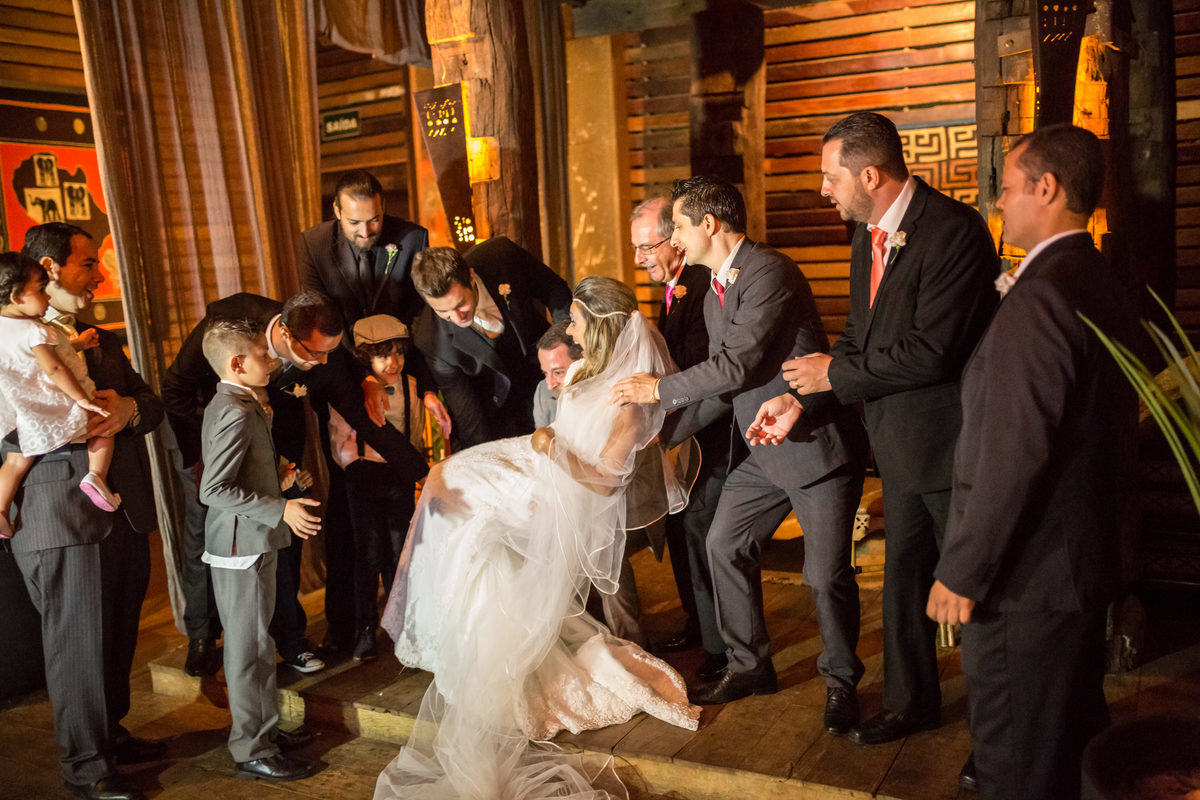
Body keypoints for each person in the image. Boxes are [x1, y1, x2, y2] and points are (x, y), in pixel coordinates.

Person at [375, 276, 699, 799]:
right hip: (540, 459)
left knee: (465, 515)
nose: (570, 329)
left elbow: (605, 479)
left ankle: (480, 658)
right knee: (443, 479)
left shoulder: (633, 395)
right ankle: (452, 642)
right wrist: (546, 442)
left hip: (562, 484)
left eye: (577, 321)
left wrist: (552, 447)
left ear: (600, 327)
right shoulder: (600, 368)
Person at [768, 112, 998, 745]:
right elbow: (857, 336)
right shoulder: (865, 235)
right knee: (902, 584)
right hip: (895, 444)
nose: (823, 189)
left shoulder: (953, 231)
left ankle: (995, 737)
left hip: (951, 445)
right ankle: (909, 704)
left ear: (869, 175)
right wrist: (804, 398)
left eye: (830, 176)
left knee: (973, 595)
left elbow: (933, 352)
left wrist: (836, 374)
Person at [611, 176, 867, 738]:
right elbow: (727, 389)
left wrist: (658, 390)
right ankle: (750, 667)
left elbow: (737, 364)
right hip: (763, 447)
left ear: (709, 224)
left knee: (824, 577)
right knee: (723, 543)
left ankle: (842, 681)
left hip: (813, 445)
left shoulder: (769, 271)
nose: (675, 239)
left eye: (679, 227)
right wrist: (664, 434)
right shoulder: (713, 290)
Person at [927, 124, 1134, 800]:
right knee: (1070, 748)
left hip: (1029, 578)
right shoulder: (1094, 276)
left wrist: (963, 569)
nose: (998, 202)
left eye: (1008, 187)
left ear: (1047, 189)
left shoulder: (1043, 293)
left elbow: (1014, 451)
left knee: (1018, 765)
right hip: (1077, 564)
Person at [162, 291, 428, 674]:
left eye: (330, 353)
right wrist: (202, 458)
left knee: (285, 540)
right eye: (315, 353)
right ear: (285, 334)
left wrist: (422, 472)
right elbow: (176, 385)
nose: (324, 362)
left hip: (280, 446)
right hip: (213, 443)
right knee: (205, 533)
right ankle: (202, 633)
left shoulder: (325, 360)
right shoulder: (233, 315)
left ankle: (291, 639)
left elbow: (366, 422)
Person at [6, 221, 165, 800]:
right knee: (77, 645)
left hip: (123, 509)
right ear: (48, 269)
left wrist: (127, 411)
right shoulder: (11, 339)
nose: (99, 275)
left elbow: (152, 404)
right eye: (88, 263)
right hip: (60, 512)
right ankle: (87, 766)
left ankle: (110, 736)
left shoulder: (101, 337)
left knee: (117, 634)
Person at [198, 318, 321, 783]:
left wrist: (281, 478)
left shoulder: (238, 401)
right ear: (236, 363)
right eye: (262, 354)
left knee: (259, 643)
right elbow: (213, 489)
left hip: (252, 539)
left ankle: (265, 731)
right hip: (241, 546)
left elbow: (243, 470)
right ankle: (252, 748)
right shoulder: (235, 409)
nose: (270, 359)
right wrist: (281, 508)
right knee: (247, 650)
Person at [631, 196, 731, 680]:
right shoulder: (672, 288)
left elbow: (703, 369)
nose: (639, 259)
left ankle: (722, 647)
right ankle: (699, 625)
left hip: (710, 433)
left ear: (674, 240)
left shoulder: (703, 286)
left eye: (646, 247)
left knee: (702, 534)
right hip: (680, 434)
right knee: (681, 530)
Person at [328, 314, 427, 662]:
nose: (392, 362)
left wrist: (413, 467)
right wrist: (352, 463)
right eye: (383, 355)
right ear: (365, 358)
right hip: (364, 475)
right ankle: (366, 628)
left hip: (400, 476)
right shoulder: (351, 390)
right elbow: (340, 433)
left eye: (398, 353)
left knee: (401, 552)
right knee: (369, 554)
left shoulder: (411, 385)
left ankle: (403, 625)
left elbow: (415, 429)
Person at [411, 238, 572, 448]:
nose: (457, 317)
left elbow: (555, 289)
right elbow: (468, 415)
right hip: (498, 407)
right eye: (443, 312)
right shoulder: (431, 340)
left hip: (545, 370)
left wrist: (563, 345)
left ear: (471, 277)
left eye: (460, 304)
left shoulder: (502, 256)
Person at [0, 252, 116, 539]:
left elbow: (35, 358)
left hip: (20, 413)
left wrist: (77, 344)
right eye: (41, 291)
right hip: (52, 407)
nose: (48, 297)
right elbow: (54, 367)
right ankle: (97, 476)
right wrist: (83, 400)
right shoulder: (34, 330)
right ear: (17, 297)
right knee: (104, 423)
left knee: (15, 462)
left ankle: (0, 509)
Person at [532, 320, 580, 427]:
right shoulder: (543, 391)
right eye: (545, 373)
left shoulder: (609, 395)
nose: (550, 385)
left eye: (558, 372)